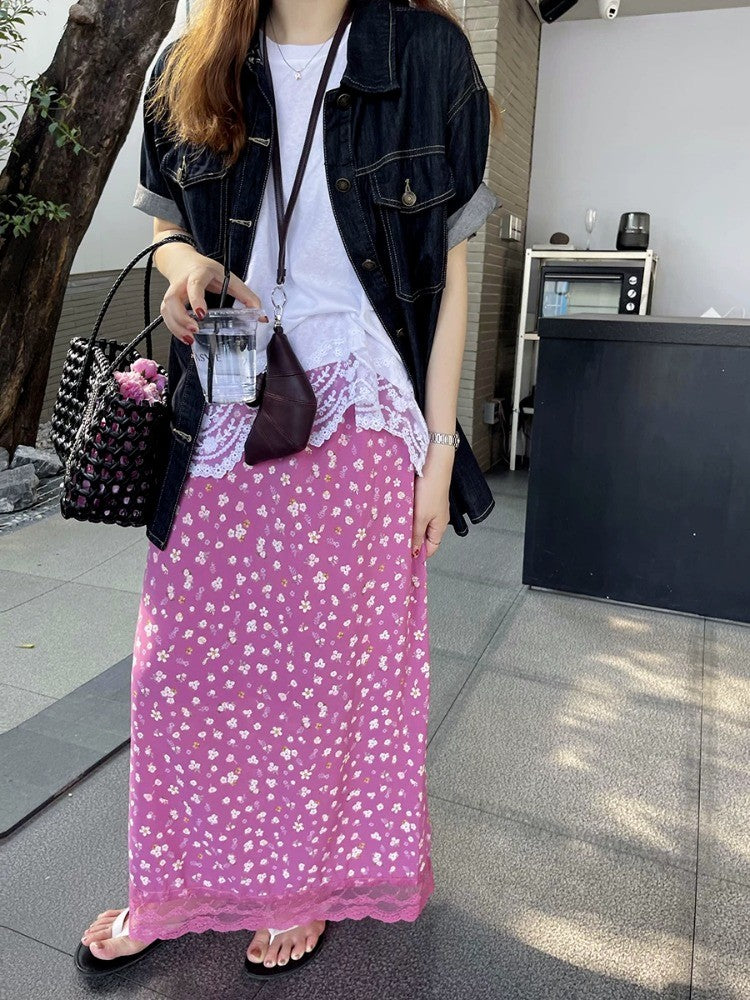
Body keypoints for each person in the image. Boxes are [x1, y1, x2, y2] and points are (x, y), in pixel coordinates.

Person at [75, 0, 499, 980]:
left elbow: (451, 272)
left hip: (360, 407)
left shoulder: (423, 55)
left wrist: (440, 453)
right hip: (228, 394)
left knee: (325, 674)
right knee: (179, 669)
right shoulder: (193, 56)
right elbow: (167, 226)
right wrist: (186, 267)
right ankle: (175, 885)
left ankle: (298, 885)